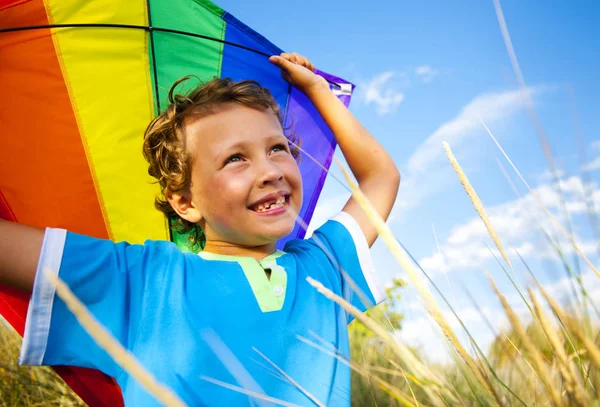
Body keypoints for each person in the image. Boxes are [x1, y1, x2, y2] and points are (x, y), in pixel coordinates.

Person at [0, 52, 400, 406]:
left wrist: (317, 91)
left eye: (277, 148)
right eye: (235, 159)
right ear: (185, 203)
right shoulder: (141, 279)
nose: (269, 171)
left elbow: (380, 176)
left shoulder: (323, 268)